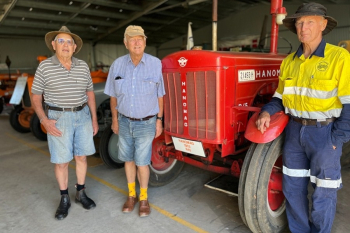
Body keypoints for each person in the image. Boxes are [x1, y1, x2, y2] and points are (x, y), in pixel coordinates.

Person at [256, 2, 350, 232]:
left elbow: (349, 102)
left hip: (325, 133)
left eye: (309, 21)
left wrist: (337, 139)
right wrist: (266, 111)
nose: (303, 27)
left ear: (323, 24)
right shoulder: (289, 62)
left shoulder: (340, 58)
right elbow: (279, 97)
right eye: (299, 22)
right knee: (293, 188)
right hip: (294, 132)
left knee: (323, 192)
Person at [31, 26, 98, 220]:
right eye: (61, 41)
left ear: (75, 47)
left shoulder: (83, 66)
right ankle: (64, 198)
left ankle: (81, 192)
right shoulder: (45, 66)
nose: (65, 45)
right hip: (58, 119)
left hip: (82, 115)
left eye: (69, 42)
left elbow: (90, 94)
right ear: (53, 45)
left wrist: (93, 118)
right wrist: (44, 120)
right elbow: (36, 97)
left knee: (81, 157)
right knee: (61, 162)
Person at [104, 25, 165, 217]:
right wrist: (114, 120)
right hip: (123, 121)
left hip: (147, 122)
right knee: (128, 160)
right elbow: (113, 96)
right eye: (132, 39)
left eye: (140, 38)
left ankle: (144, 198)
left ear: (145, 42)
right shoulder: (117, 65)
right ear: (126, 43)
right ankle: (132, 195)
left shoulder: (155, 64)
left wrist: (159, 120)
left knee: (142, 162)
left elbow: (160, 95)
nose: (137, 42)